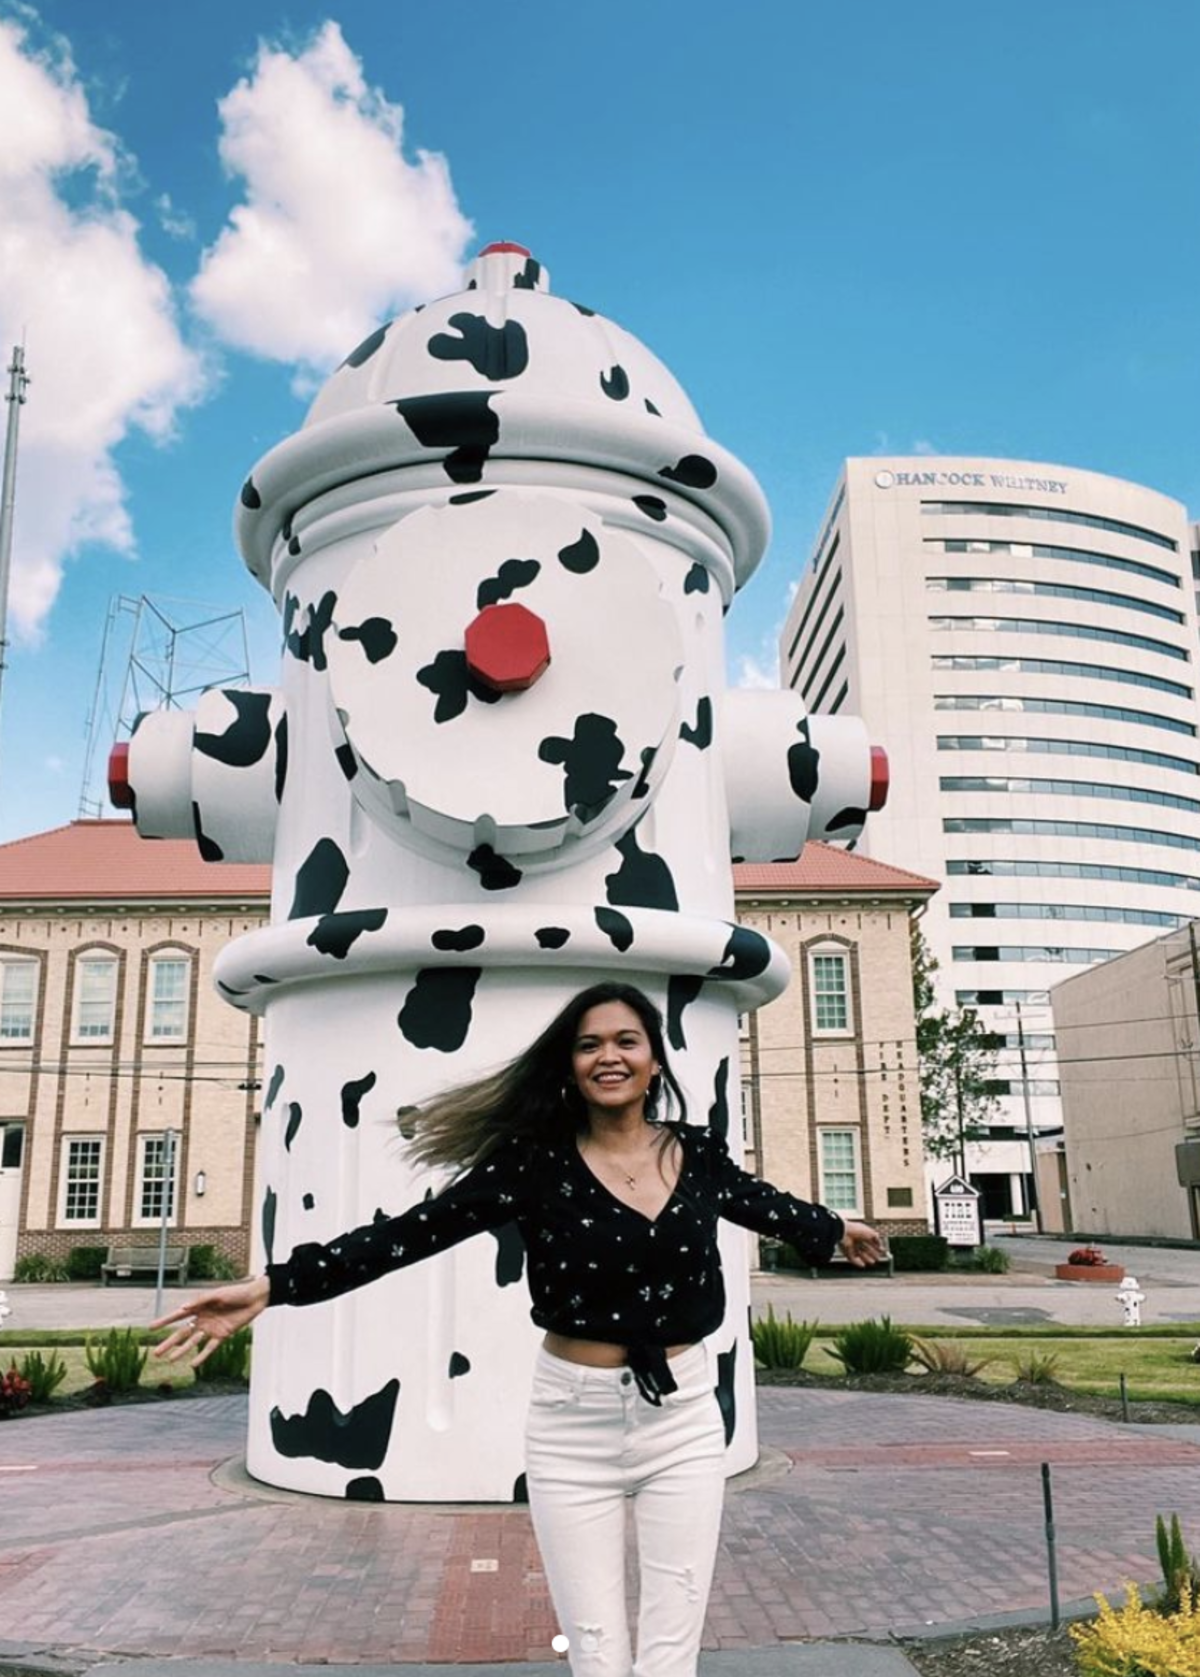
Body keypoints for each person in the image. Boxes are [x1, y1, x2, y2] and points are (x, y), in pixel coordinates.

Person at [153, 980, 885, 1677]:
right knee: (597, 1647)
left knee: (672, 1641)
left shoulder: (698, 1153)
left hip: (686, 1416)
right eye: (589, 1043)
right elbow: (409, 1234)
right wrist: (274, 1285)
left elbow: (762, 1202)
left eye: (626, 1040)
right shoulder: (534, 1163)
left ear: (654, 1058)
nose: (609, 1055)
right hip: (574, 1424)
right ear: (568, 1064)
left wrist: (833, 1228)